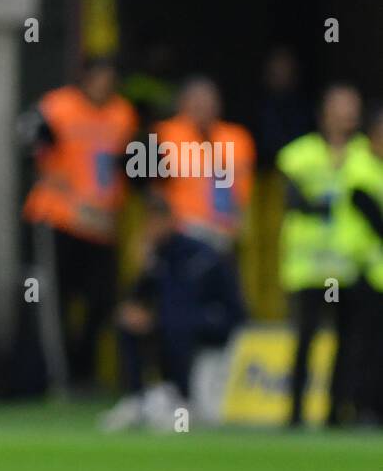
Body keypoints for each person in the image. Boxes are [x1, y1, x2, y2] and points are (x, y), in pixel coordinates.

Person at [20, 56, 140, 390]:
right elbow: (31, 149)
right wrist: (73, 197)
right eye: (99, 77)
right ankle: (58, 378)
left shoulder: (122, 113)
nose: (104, 85)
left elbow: (126, 166)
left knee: (102, 299)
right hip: (58, 217)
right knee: (54, 299)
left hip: (99, 224)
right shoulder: (58, 106)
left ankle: (82, 366)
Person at [102, 193, 245, 431]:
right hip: (180, 319)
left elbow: (185, 300)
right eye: (148, 222)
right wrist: (139, 279)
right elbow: (140, 298)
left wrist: (154, 317)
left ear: (170, 221)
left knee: (174, 323)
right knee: (129, 323)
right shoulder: (156, 255)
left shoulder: (196, 253)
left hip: (217, 320)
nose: (151, 228)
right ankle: (137, 397)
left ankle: (181, 399)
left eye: (156, 221)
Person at [277, 84, 365, 427]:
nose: (346, 115)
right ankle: (295, 414)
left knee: (347, 344)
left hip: (348, 265)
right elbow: (290, 197)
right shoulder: (300, 154)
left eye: (351, 108)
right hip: (308, 266)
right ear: (324, 112)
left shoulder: (364, 153)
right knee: (305, 341)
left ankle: (335, 413)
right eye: (340, 107)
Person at [153, 77, 256, 253]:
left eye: (207, 100)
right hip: (182, 234)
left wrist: (240, 224)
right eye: (196, 100)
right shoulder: (165, 134)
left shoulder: (237, 138)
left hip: (224, 235)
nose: (202, 106)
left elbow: (242, 190)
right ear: (182, 103)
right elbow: (153, 190)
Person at [337, 104, 383, 423]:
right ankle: (354, 408)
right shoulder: (359, 163)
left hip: (376, 272)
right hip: (357, 271)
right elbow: (370, 214)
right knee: (358, 344)